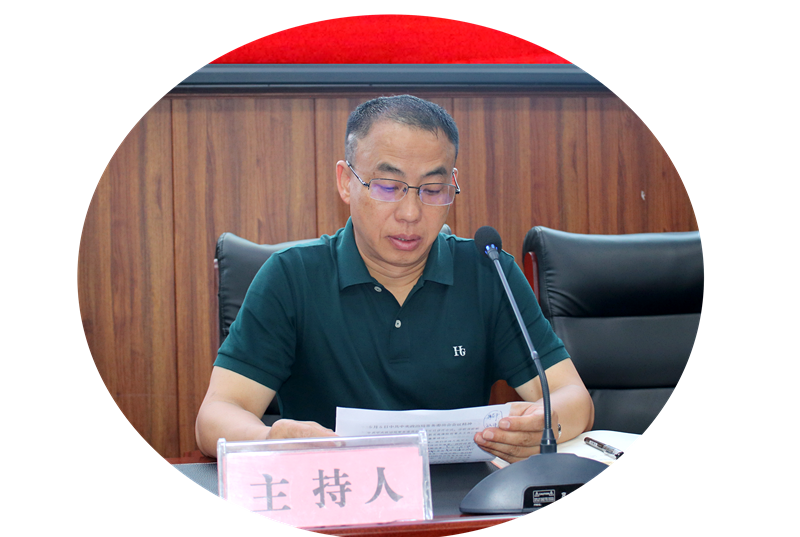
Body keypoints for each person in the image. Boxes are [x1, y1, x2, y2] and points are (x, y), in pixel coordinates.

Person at [196, 95, 594, 463]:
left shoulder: (488, 272)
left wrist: (543, 425)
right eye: (388, 187)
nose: (410, 213)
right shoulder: (291, 277)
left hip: (462, 498)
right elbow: (217, 414)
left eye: (433, 190)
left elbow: (572, 396)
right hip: (333, 493)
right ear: (345, 181)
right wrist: (268, 439)